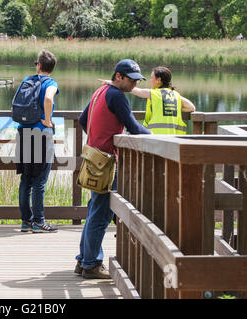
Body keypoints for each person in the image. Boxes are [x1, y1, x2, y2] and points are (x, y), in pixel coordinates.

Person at [75, 59, 151, 279]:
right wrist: (157, 138)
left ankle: (83, 260)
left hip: (93, 158)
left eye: (137, 81)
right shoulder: (117, 96)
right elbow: (134, 128)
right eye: (132, 80)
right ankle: (91, 264)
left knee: (94, 210)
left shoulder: (101, 91)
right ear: (119, 76)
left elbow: (82, 119)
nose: (134, 85)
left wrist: (98, 138)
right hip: (107, 162)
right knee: (100, 214)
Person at [16, 50, 59, 233]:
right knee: (39, 181)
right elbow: (49, 98)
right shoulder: (50, 83)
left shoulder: (27, 80)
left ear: (39, 65)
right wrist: (48, 120)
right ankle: (39, 221)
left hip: (24, 132)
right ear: (51, 68)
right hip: (41, 134)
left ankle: (26, 221)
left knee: (26, 179)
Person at [100, 66, 196, 134]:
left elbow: (135, 90)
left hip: (156, 138)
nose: (150, 81)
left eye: (152, 78)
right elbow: (191, 107)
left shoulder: (155, 94)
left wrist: (112, 83)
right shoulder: (175, 95)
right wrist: (174, 105)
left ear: (158, 80)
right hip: (175, 139)